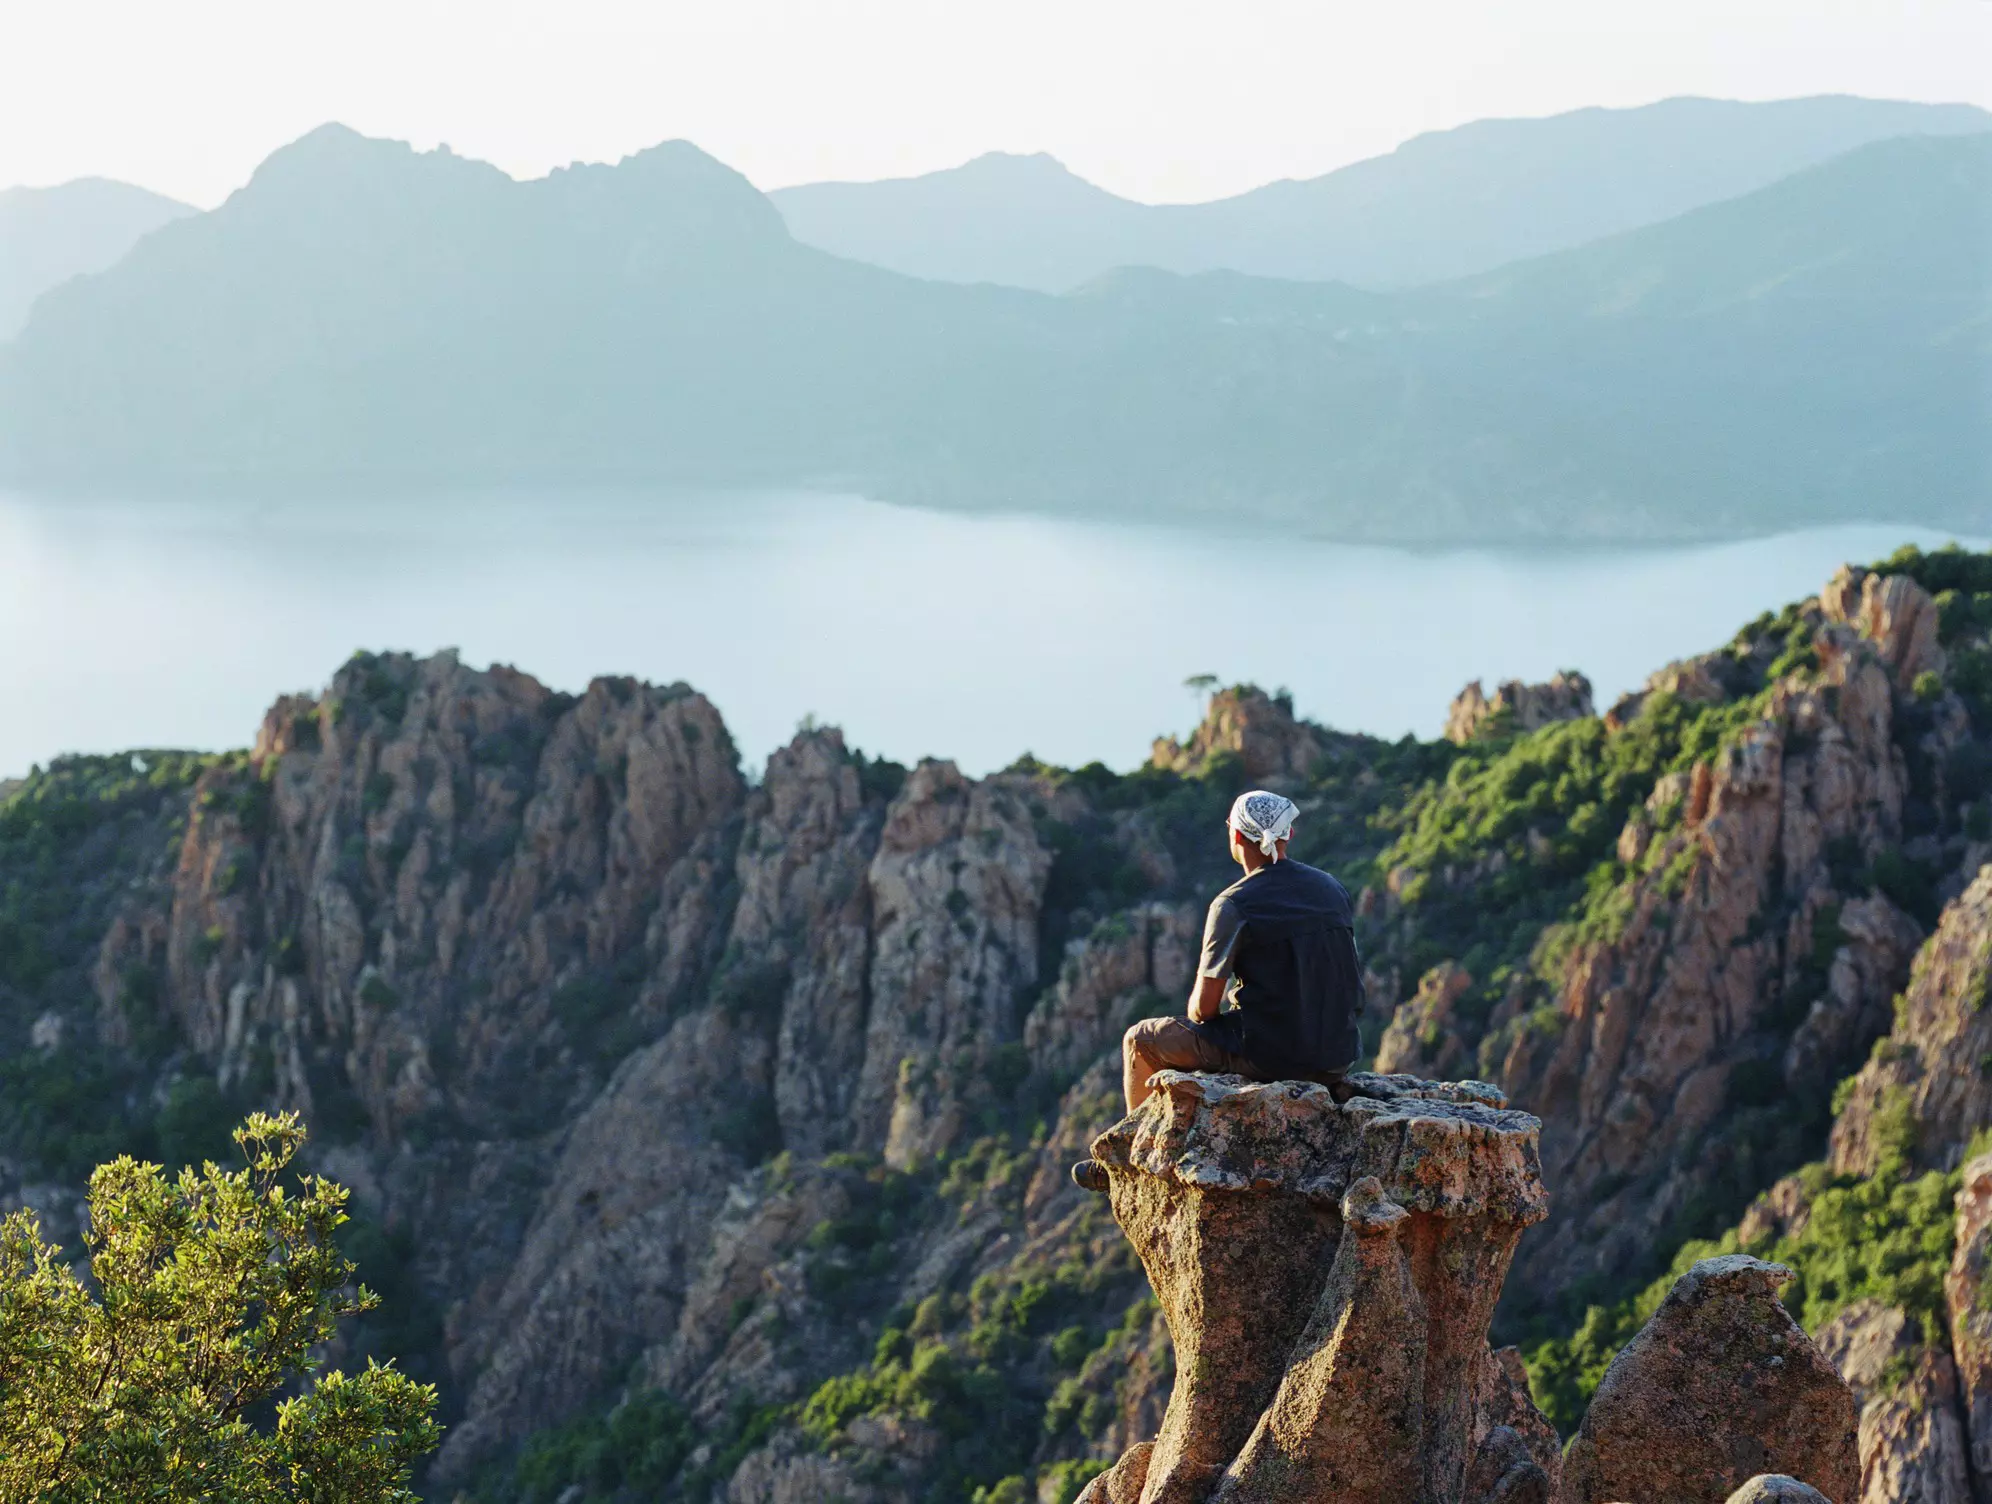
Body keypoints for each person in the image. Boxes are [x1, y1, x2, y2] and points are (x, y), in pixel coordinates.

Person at [1072, 790, 1365, 1193]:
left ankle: (1128, 1163)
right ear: (1289, 833)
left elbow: (1203, 1011)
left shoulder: (1234, 904)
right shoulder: (1331, 888)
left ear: (1237, 839)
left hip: (1273, 1056)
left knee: (1139, 1040)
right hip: (1337, 1054)